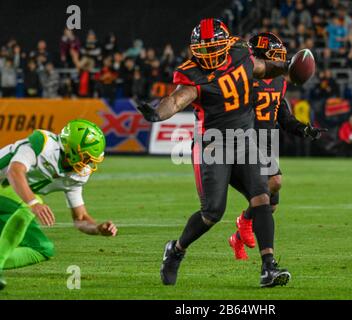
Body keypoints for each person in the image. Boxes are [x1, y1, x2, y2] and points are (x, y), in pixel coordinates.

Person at [137, 18, 316, 288]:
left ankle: (268, 267)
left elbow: (262, 67)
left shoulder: (240, 54)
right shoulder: (192, 73)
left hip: (244, 140)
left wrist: (287, 67)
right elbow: (177, 99)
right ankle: (175, 250)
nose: (209, 54)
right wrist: (158, 113)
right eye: (204, 49)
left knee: (262, 198)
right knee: (212, 213)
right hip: (213, 145)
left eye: (214, 47)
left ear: (226, 44)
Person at [228, 32, 326, 260]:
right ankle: (245, 224)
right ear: (260, 55)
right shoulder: (245, 78)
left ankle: (238, 237)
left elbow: (283, 116)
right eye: (274, 55)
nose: (279, 61)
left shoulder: (280, 81)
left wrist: (304, 129)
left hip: (267, 143)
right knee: (274, 182)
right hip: (246, 140)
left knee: (270, 206)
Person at [0, 120, 118, 290]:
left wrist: (98, 228)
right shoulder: (43, 145)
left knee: (43, 249)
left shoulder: (77, 175)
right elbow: (14, 171)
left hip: (11, 201)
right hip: (6, 189)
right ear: (70, 149)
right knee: (34, 202)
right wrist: (33, 203)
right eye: (85, 157)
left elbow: (80, 218)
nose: (87, 164)